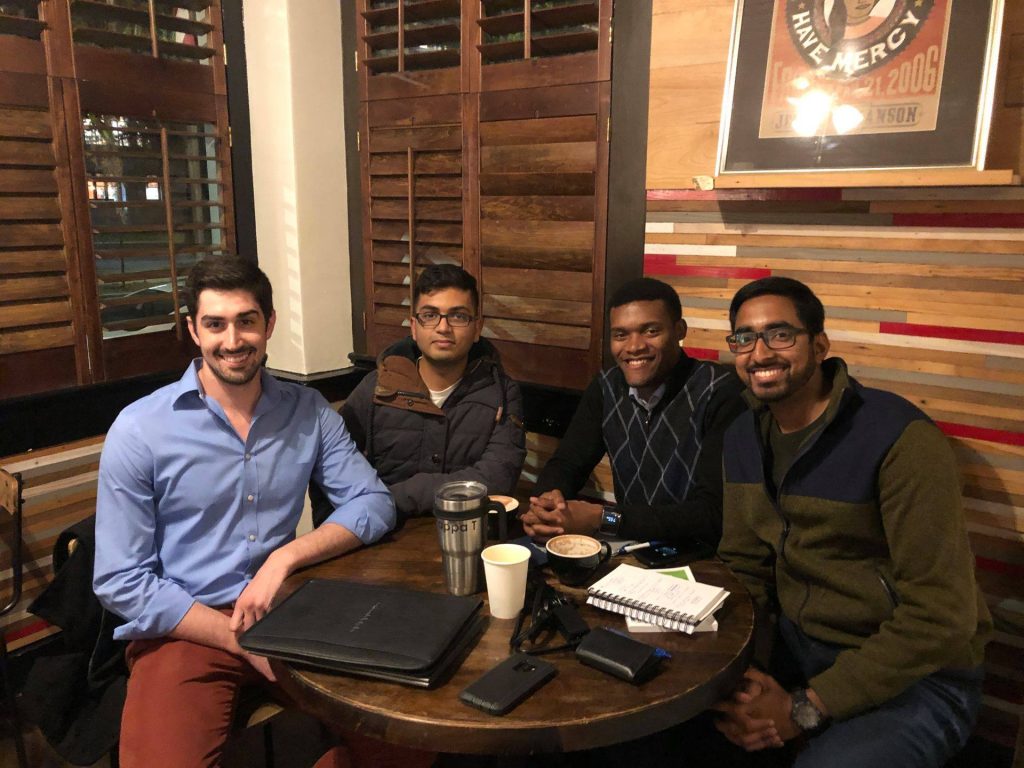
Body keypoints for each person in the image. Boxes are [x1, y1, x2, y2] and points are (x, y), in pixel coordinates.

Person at [93, 257, 422, 768]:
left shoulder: (307, 411)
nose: (232, 340)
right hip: (186, 625)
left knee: (402, 742)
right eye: (215, 324)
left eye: (246, 320)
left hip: (289, 610)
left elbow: (373, 502)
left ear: (269, 324)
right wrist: (239, 640)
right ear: (193, 330)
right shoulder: (140, 429)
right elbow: (120, 580)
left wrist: (282, 560)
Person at [713, 276, 992, 767]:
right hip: (796, 651)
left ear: (819, 344)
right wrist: (748, 673)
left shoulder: (897, 437)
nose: (759, 352)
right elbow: (743, 568)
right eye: (744, 337)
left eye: (780, 334)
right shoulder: (742, 435)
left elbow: (942, 615)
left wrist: (804, 707)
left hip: (916, 678)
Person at [522, 277, 745, 547]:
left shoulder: (720, 392)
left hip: (703, 557)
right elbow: (568, 462)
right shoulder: (607, 386)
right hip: (633, 550)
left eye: (650, 331)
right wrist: (546, 503)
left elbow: (711, 514)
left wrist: (603, 518)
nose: (634, 346)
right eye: (620, 335)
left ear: (679, 330)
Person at [314, 264, 525, 523]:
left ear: (477, 327)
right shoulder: (378, 388)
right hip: (381, 540)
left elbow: (497, 478)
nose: (443, 327)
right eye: (430, 315)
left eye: (458, 316)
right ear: (414, 327)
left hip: (467, 538)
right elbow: (328, 468)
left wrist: (393, 498)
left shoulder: (501, 394)